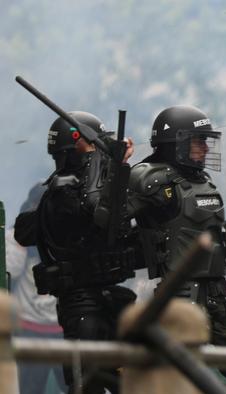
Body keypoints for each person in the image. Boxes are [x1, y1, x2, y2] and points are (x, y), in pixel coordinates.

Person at [127, 105, 226, 391]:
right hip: (182, 303)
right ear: (177, 143)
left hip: (220, 298)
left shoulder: (201, 181)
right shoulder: (152, 179)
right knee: (184, 384)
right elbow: (110, 221)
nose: (206, 149)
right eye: (199, 141)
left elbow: (211, 239)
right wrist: (117, 168)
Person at [14, 111, 137, 394]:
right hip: (81, 307)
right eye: (97, 146)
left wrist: (114, 167)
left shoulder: (94, 186)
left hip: (109, 299)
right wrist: (110, 163)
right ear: (78, 146)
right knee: (87, 385)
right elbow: (92, 211)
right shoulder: (60, 193)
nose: (102, 152)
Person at [6, 183, 67, 394]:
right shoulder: (17, 236)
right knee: (30, 389)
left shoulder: (65, 232)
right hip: (29, 329)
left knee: (77, 386)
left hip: (63, 328)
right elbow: (10, 271)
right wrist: (22, 239)